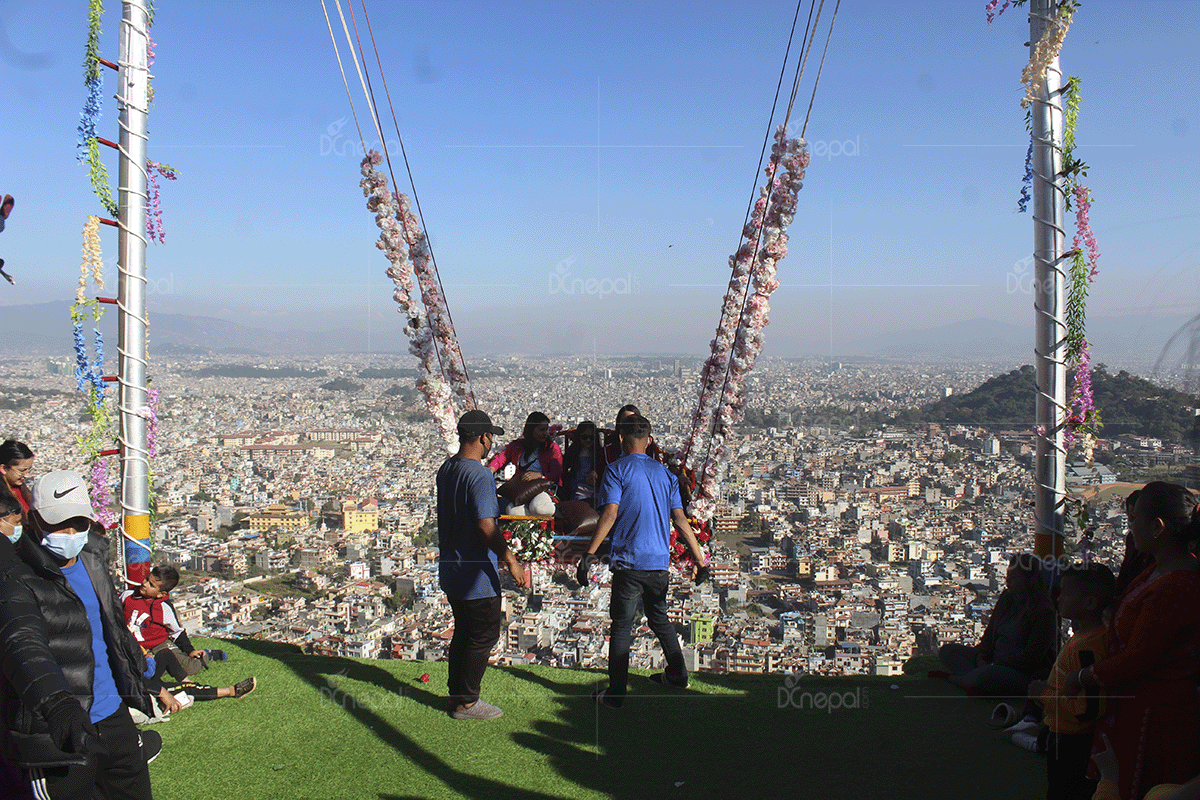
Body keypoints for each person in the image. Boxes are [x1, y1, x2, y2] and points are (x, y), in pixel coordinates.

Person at [0, 470, 178, 800]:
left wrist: (150, 683)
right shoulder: (14, 576)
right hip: (58, 732)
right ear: (35, 520)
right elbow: (22, 645)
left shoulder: (93, 560)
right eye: (57, 524)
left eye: (78, 523)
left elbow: (114, 634)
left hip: (114, 718)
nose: (69, 532)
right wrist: (57, 705)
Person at [1064, 482, 1200, 800]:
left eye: (1135, 517)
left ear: (1157, 527)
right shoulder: (1159, 572)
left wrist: (1082, 676)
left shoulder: (1174, 586)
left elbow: (1140, 657)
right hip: (1140, 707)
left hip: (1157, 717)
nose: (1130, 525)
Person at [578, 414, 709, 708]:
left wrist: (588, 554)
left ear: (621, 440)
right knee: (659, 617)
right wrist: (700, 560)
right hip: (659, 562)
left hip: (628, 561)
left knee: (622, 626)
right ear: (649, 441)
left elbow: (610, 514)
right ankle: (677, 674)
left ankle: (616, 694)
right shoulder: (666, 475)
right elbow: (680, 520)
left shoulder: (615, 470)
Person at [438, 410, 529, 720]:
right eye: (491, 436)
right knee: (484, 635)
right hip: (475, 571)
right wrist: (511, 560)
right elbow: (485, 526)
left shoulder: (447, 468)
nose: (492, 442)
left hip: (451, 567)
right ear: (483, 437)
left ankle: (456, 696)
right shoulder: (478, 475)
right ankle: (467, 702)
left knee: (464, 632)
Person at [1025, 563, 1115, 800]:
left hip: (1074, 740)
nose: (1059, 598)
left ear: (1090, 603)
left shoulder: (1088, 648)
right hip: (1063, 731)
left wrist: (1043, 695)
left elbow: (1086, 710)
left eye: (1066, 593)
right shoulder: (1090, 639)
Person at [934, 553, 1057, 697]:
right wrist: (981, 656)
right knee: (948, 651)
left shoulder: (1043, 612)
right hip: (992, 660)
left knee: (989, 674)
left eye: (1013, 578)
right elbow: (990, 633)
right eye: (1007, 577)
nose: (1007, 581)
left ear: (1029, 580)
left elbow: (1032, 657)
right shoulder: (1007, 598)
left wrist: (996, 664)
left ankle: (962, 680)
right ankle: (976, 681)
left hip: (1020, 671)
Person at [121, 564, 226, 678]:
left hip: (158, 645)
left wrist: (190, 650)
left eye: (151, 585)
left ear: (161, 594)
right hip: (132, 644)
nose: (144, 584)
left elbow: (177, 632)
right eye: (146, 579)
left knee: (190, 667)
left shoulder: (163, 608)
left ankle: (208, 655)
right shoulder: (128, 596)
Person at [488, 411, 563, 486]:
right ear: (531, 431)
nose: (545, 433)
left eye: (546, 429)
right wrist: (491, 469)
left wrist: (540, 476)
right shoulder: (518, 446)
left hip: (543, 488)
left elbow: (556, 473)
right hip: (520, 488)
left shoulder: (552, 448)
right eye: (541, 430)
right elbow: (502, 457)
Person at [560, 421, 599, 505]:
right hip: (577, 491)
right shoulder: (573, 453)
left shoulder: (599, 453)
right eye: (585, 437)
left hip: (596, 492)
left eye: (591, 437)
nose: (588, 440)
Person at [0, 439, 34, 520]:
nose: (27, 475)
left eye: (29, 470)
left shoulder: (21, 489)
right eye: (22, 471)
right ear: (3, 468)